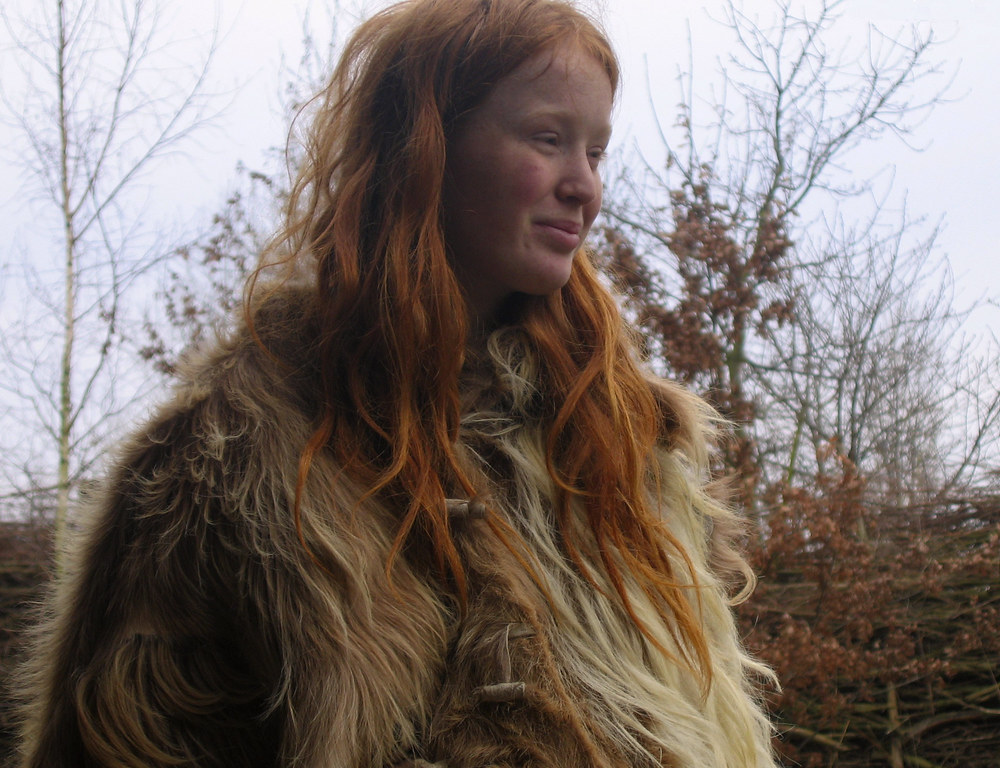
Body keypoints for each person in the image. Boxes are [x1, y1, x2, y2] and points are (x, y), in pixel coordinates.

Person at [14, 0, 777, 765]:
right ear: (427, 148)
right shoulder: (232, 462)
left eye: (598, 152)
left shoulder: (630, 450)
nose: (584, 186)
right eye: (549, 140)